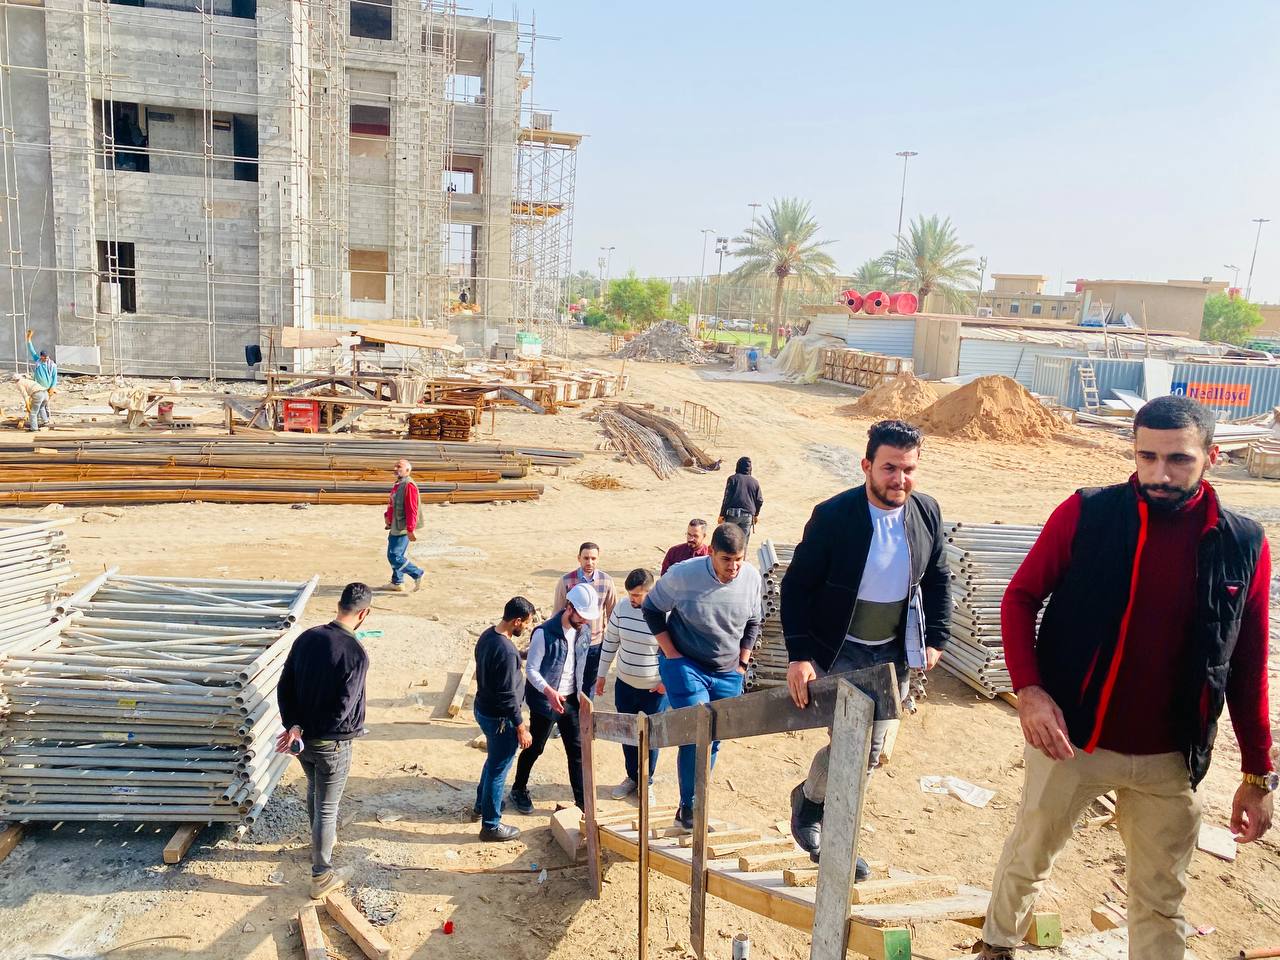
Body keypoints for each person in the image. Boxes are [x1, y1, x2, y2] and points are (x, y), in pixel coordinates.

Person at [972, 395, 1274, 960]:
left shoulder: (1244, 544)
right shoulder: (1087, 514)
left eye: (1178, 460)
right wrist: (1030, 693)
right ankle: (996, 947)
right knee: (1030, 857)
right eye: (1147, 457)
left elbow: (1248, 663)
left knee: (1161, 899)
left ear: (1211, 457)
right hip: (1073, 740)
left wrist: (1258, 773)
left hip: (1171, 757)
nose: (1160, 474)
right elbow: (1020, 598)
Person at [781, 420, 950, 879]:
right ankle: (830, 832)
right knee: (849, 745)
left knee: (870, 753)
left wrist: (936, 638)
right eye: (890, 468)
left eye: (908, 469)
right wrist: (799, 656)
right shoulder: (834, 517)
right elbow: (796, 587)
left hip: (894, 654)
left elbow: (937, 578)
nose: (900, 479)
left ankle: (813, 804)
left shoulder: (927, 512)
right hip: (842, 651)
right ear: (867, 466)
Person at [643, 523, 762, 829]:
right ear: (711, 553)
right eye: (726, 560)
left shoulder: (751, 577)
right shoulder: (683, 574)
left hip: (728, 670)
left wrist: (742, 664)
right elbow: (651, 609)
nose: (733, 567)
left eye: (739, 559)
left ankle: (692, 803)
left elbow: (753, 622)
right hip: (686, 663)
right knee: (696, 733)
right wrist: (671, 653)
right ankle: (690, 809)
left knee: (714, 739)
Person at [276, 582, 373, 900]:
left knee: (314, 790)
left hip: (301, 741)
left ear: (339, 605)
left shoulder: (307, 638)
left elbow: (284, 686)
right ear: (364, 614)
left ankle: (318, 845)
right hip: (331, 744)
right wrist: (313, 732)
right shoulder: (355, 653)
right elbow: (342, 709)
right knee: (327, 807)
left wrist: (295, 727)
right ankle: (321, 875)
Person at [509, 582, 601, 814]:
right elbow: (531, 670)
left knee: (576, 751)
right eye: (582, 615)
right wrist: (549, 691)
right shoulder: (544, 633)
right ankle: (518, 789)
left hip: (571, 701)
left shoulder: (584, 631)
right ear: (569, 607)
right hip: (545, 702)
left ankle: (583, 804)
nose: (585, 621)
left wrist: (584, 696)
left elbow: (583, 666)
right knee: (535, 747)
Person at [595, 568, 666, 801]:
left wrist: (666, 682)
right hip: (625, 685)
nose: (632, 599)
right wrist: (601, 674)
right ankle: (632, 777)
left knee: (651, 737)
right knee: (627, 733)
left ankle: (647, 781)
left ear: (650, 591)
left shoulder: (665, 613)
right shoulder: (622, 608)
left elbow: (675, 651)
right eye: (630, 594)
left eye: (637, 595)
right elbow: (610, 641)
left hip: (653, 689)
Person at [472, 596, 537, 841]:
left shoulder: (489, 636)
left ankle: (482, 804)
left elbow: (498, 661)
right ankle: (491, 826)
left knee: (493, 762)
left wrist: (520, 654)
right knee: (499, 770)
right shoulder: (507, 652)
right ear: (516, 621)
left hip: (484, 709)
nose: (527, 627)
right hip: (501, 719)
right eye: (527, 623)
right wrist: (521, 727)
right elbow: (509, 696)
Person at [552, 542, 618, 699]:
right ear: (579, 558)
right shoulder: (566, 581)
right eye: (586, 558)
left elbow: (612, 614)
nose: (590, 562)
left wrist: (612, 642)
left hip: (595, 644)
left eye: (593, 558)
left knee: (589, 685)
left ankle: (586, 713)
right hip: (571, 642)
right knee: (569, 683)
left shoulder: (607, 581)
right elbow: (558, 612)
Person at [383, 458, 423, 593]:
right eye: (395, 466)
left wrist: (411, 529)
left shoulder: (409, 485)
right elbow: (392, 503)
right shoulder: (398, 484)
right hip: (395, 524)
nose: (395, 468)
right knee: (396, 554)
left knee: (394, 556)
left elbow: (412, 509)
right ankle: (397, 582)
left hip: (402, 527)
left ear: (407, 470)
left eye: (399, 466)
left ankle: (417, 573)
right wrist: (387, 516)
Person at [719, 456, 763, 548]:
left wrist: (722, 515)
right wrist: (756, 515)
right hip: (748, 516)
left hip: (733, 514)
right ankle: (741, 557)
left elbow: (727, 498)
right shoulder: (755, 482)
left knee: (729, 541)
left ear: (738, 466)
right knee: (743, 543)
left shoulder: (733, 479)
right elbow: (759, 500)